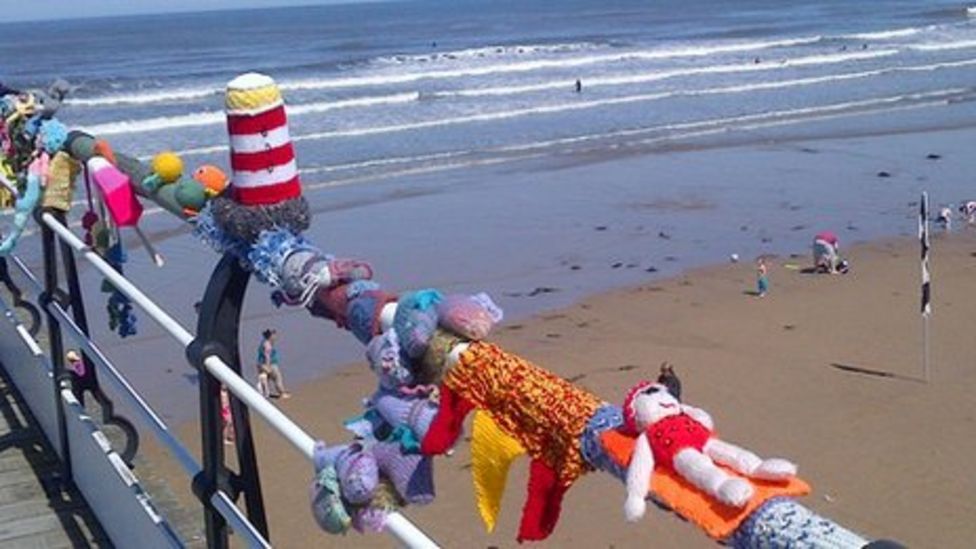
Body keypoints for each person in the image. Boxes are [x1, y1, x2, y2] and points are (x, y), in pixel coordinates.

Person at [257, 328, 290, 399]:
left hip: (260, 364)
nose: (275, 337)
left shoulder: (264, 342)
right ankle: (282, 393)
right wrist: (268, 366)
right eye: (274, 335)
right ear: (270, 336)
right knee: (277, 378)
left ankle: (263, 393)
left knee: (265, 379)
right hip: (270, 364)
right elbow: (267, 356)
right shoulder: (267, 345)